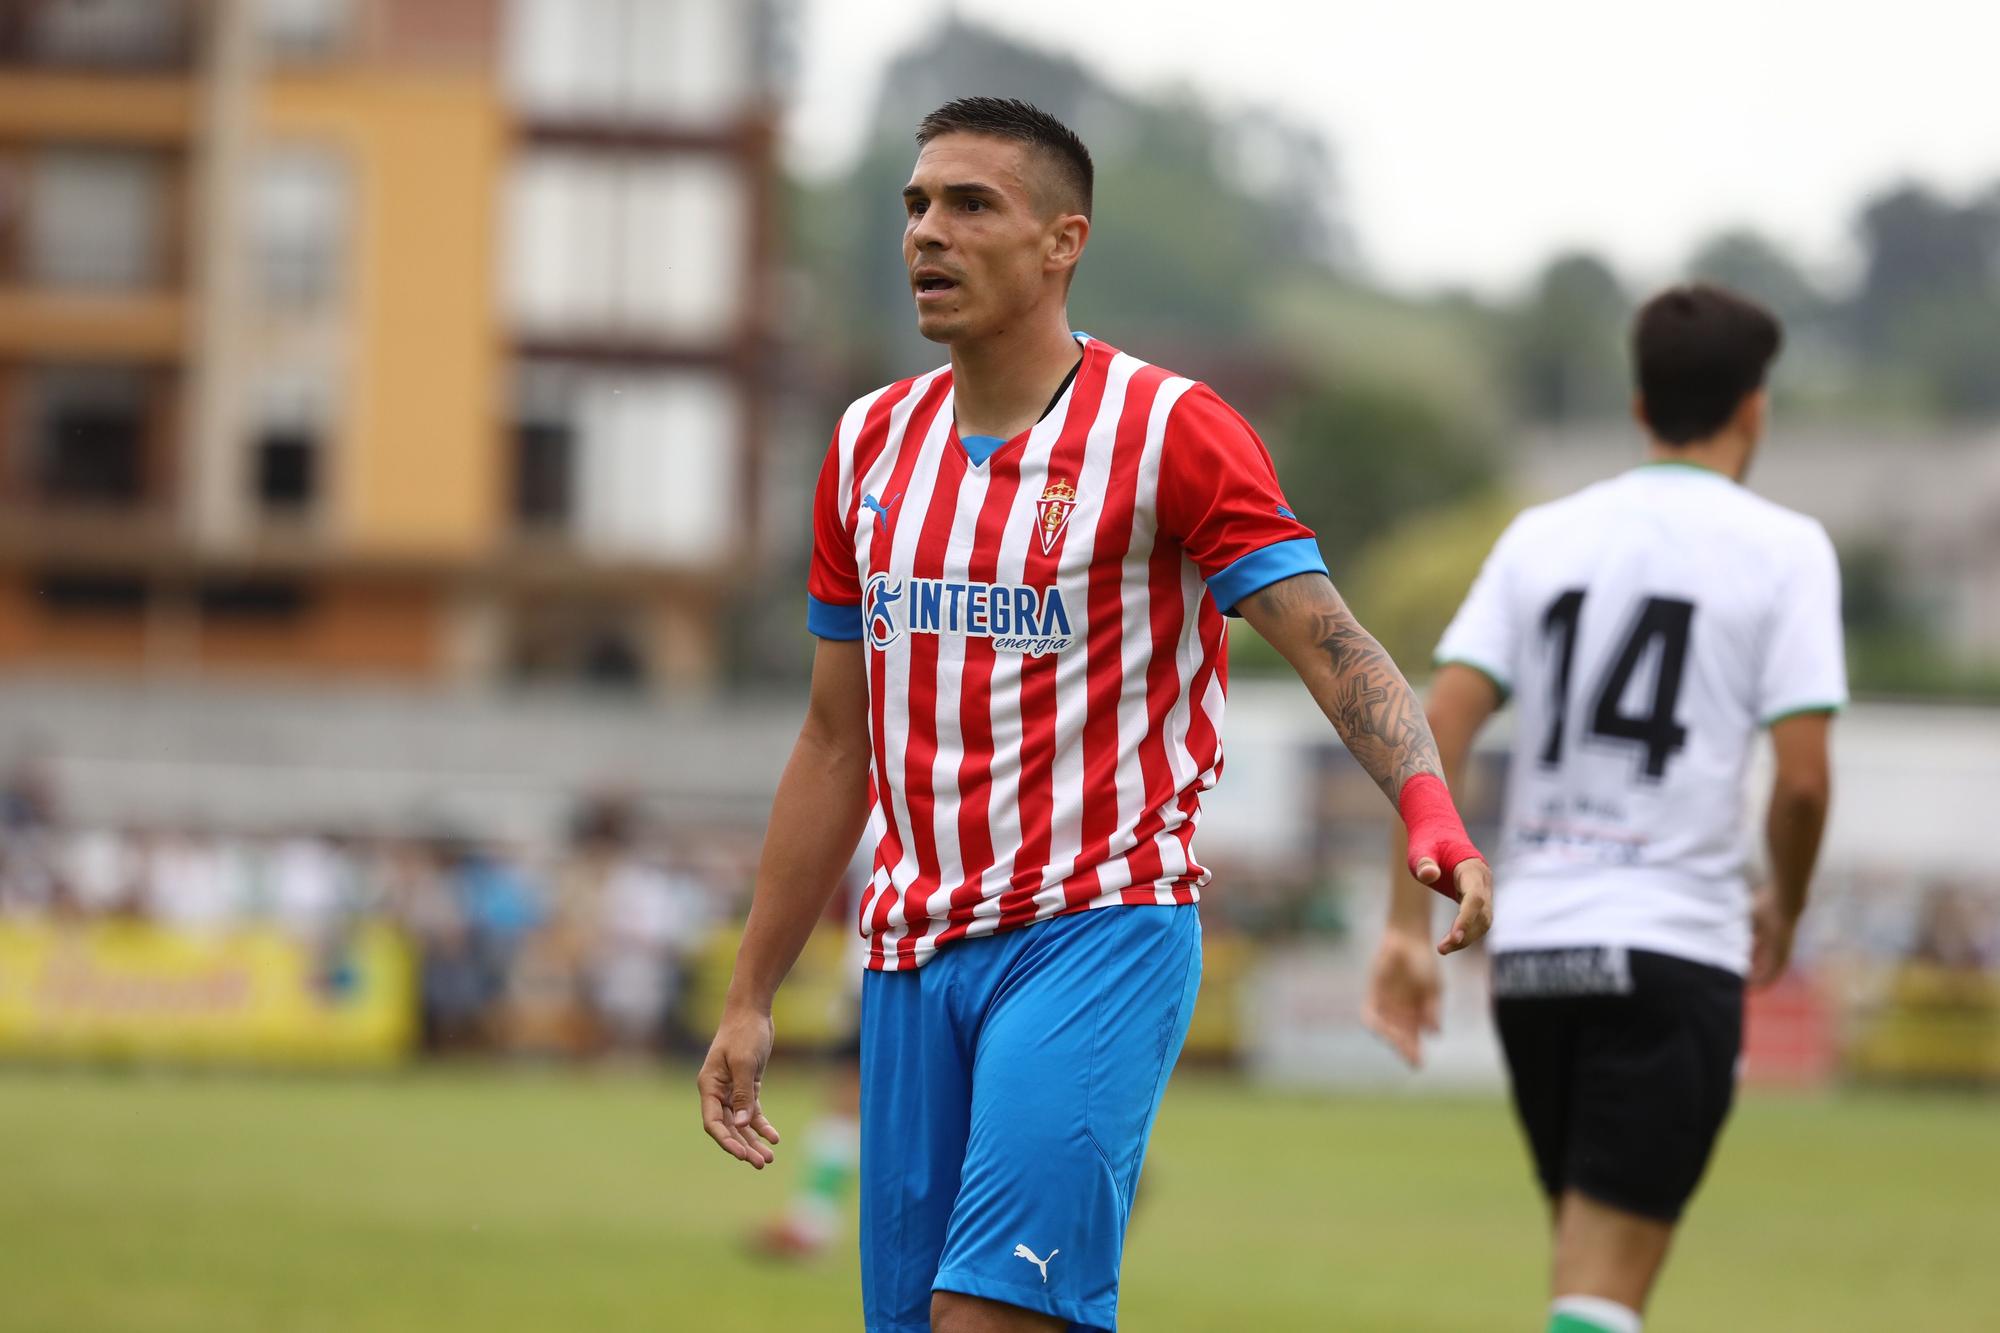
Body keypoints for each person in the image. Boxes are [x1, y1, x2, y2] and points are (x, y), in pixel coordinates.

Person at [698, 96, 1492, 1333]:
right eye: (915, 204)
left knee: (991, 1320)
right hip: (911, 957)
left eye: (970, 205)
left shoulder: (1169, 430)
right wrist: (752, 989)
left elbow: (1328, 640)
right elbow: (831, 740)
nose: (927, 233)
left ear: (1063, 241)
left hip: (1095, 928)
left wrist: (1427, 805)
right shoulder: (863, 447)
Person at [1365, 284, 1842, 1333]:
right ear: (1753, 407)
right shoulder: (1784, 547)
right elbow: (1802, 782)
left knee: (1581, 1278)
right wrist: (1789, 907)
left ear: (1637, 403)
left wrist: (1404, 923)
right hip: (1671, 945)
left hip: (1536, 958)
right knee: (1597, 1297)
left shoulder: (1542, 535)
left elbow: (1428, 727)